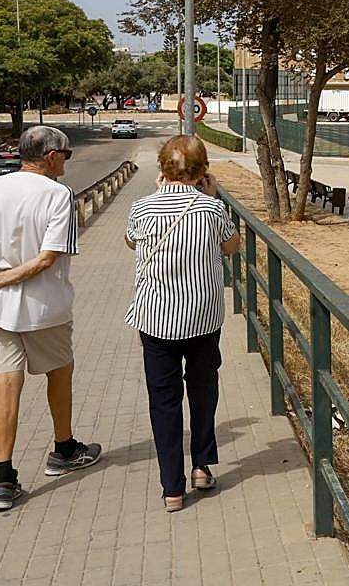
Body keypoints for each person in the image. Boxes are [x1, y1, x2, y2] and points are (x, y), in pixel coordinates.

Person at [0, 125, 103, 512]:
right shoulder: (58, 195)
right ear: (52, 155)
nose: (66, 163)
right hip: (46, 309)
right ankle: (63, 449)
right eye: (66, 155)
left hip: (0, 314)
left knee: (6, 387)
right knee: (60, 372)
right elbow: (47, 258)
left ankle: (3, 479)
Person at [125, 135, 241, 512]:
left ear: (161, 168)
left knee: (164, 401)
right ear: (203, 170)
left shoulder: (142, 208)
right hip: (204, 317)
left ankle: (172, 488)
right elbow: (232, 246)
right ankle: (202, 467)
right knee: (203, 390)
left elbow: (131, 242)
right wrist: (213, 196)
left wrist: (160, 194)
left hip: (156, 320)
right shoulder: (211, 211)